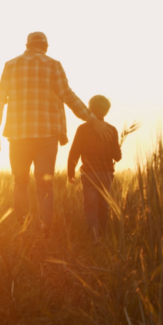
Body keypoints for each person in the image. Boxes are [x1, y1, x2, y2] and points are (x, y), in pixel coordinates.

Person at [0, 32, 111, 232]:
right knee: (45, 186)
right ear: (46, 47)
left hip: (18, 135)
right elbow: (67, 95)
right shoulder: (54, 65)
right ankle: (44, 230)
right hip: (47, 135)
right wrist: (92, 119)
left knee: (20, 182)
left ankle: (23, 228)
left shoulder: (10, 65)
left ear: (27, 45)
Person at [67, 95, 121, 241]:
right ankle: (103, 235)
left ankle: (94, 237)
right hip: (106, 174)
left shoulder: (83, 129)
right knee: (104, 206)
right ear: (107, 111)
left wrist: (70, 172)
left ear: (90, 109)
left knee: (90, 207)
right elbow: (117, 157)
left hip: (89, 174)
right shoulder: (112, 130)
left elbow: (74, 152)